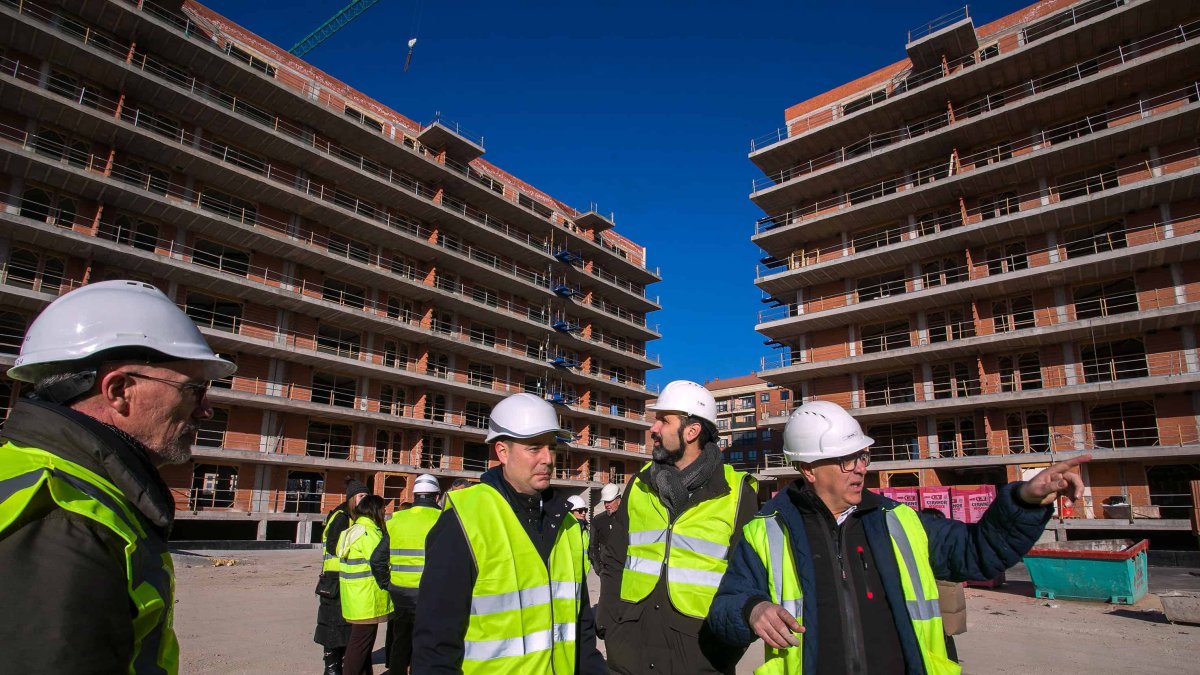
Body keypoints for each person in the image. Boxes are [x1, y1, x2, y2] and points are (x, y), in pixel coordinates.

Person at [706, 400, 1090, 675]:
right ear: (808, 469)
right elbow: (726, 605)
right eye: (846, 460)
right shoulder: (767, 529)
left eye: (862, 457)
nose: (859, 468)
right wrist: (751, 610)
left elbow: (979, 553)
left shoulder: (900, 522)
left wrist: (1024, 499)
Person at [0, 280, 237, 673]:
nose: (206, 410)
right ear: (120, 390)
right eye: (194, 389)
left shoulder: (51, 477)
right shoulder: (58, 519)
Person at [412, 392, 605, 674]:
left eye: (551, 447)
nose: (548, 459)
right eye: (534, 448)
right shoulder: (465, 521)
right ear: (502, 451)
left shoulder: (566, 524)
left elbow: (581, 631)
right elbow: (435, 645)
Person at [599, 380, 758, 675]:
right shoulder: (640, 484)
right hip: (629, 653)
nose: (653, 429)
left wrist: (726, 650)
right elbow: (614, 560)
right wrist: (609, 625)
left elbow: (749, 579)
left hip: (700, 657)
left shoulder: (737, 494)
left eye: (663, 420)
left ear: (692, 430)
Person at [384, 473, 442, 674]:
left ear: (415, 494)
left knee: (401, 639)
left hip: (400, 592)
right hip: (431, 594)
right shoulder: (443, 519)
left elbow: (377, 559)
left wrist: (387, 583)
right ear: (436, 497)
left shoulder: (396, 519)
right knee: (427, 642)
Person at [316, 478, 370, 675]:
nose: (365, 499)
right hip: (333, 580)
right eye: (361, 496)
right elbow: (333, 546)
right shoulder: (341, 516)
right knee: (332, 626)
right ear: (352, 498)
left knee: (344, 626)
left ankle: (343, 663)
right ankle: (331, 667)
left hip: (347, 579)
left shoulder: (354, 517)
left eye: (367, 496)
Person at [338, 494, 393, 675]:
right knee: (360, 646)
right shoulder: (369, 532)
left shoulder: (353, 530)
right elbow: (380, 560)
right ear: (375, 509)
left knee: (363, 645)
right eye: (383, 508)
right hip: (368, 598)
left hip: (354, 597)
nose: (385, 512)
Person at [921, 508, 966, 663]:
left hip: (938, 596)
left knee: (941, 638)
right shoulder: (949, 539)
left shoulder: (925, 541)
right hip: (945, 596)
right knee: (945, 637)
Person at [589, 482, 622, 575]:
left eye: (609, 501)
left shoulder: (628, 518)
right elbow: (592, 546)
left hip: (626, 569)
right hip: (606, 571)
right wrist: (598, 569)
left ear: (618, 500)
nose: (606, 505)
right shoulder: (598, 520)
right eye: (605, 502)